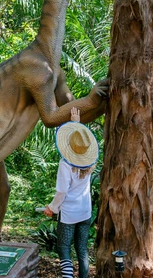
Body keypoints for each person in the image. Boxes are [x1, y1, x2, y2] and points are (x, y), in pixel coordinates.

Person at [43, 107, 98, 278]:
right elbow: (80, 143)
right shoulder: (89, 163)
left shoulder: (65, 164)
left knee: (64, 248)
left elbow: (62, 191)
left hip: (69, 214)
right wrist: (76, 124)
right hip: (85, 212)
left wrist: (52, 208)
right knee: (82, 250)